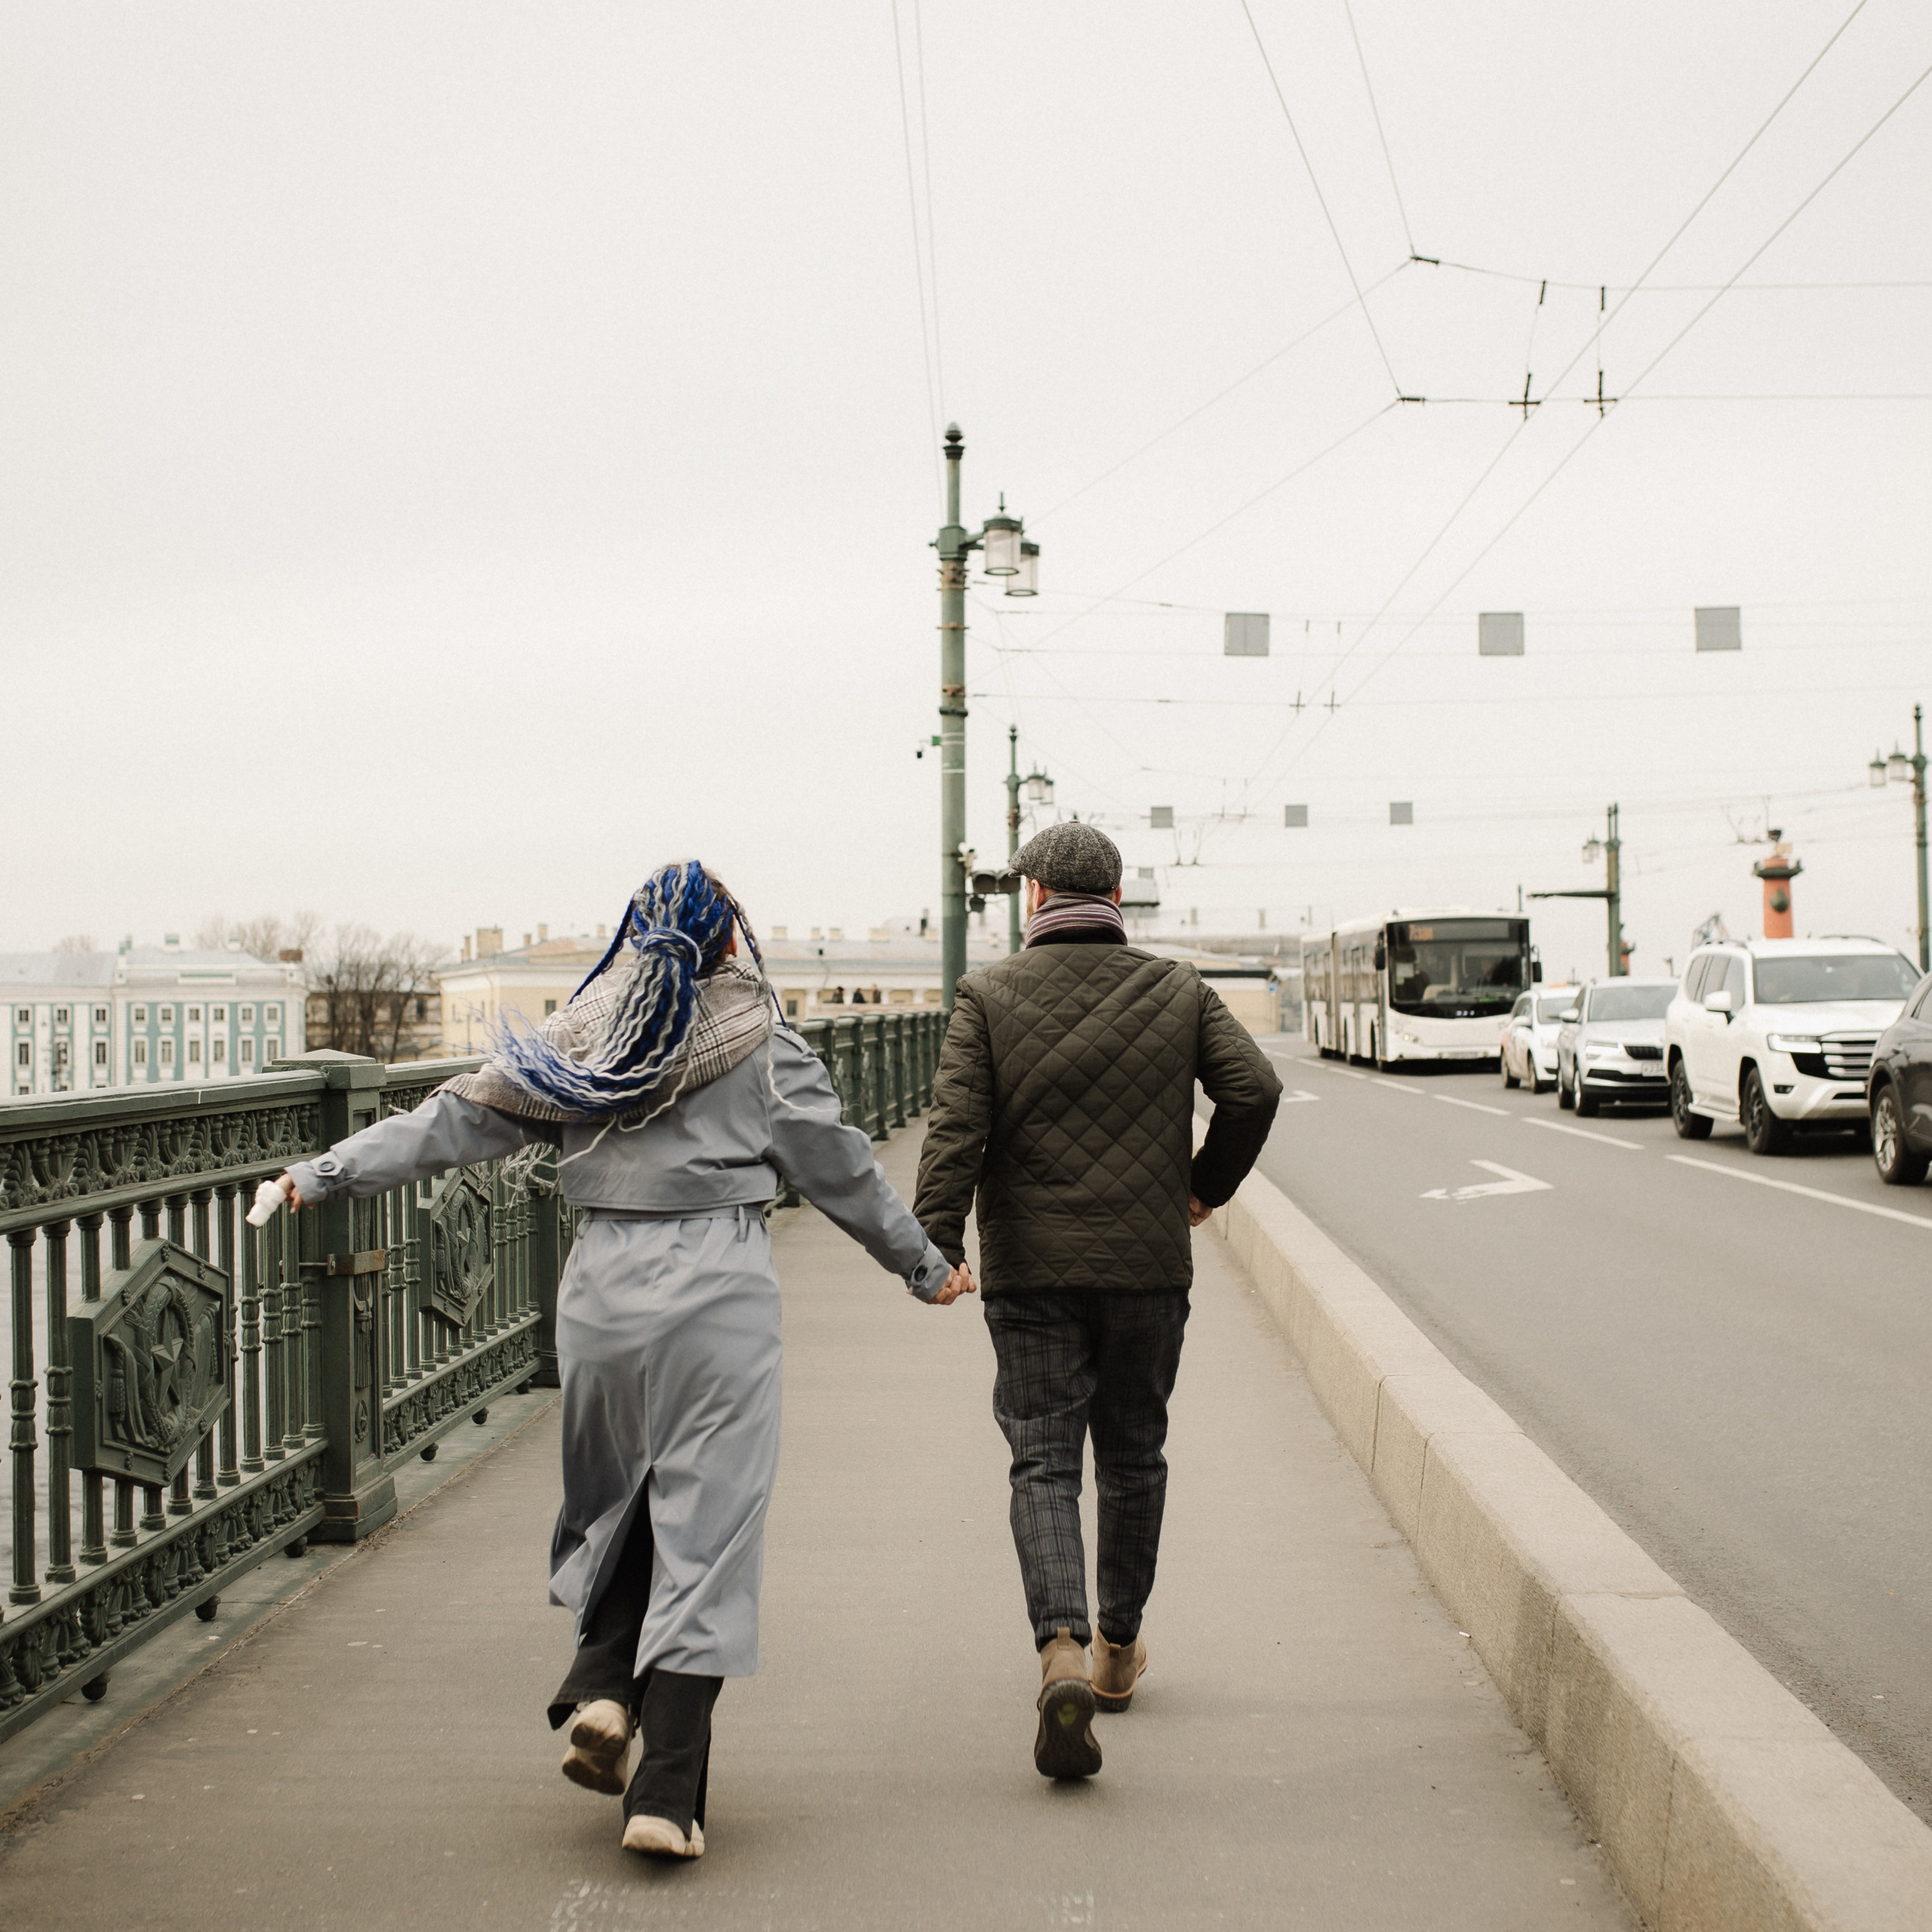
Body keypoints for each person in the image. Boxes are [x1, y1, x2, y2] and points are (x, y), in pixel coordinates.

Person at [272, 861, 970, 1859]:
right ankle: (665, 1798)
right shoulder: (762, 1042)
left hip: (598, 1287)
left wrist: (326, 1171)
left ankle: (603, 1687)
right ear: (730, 941)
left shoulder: (584, 1039)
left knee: (617, 1497)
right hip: (717, 1291)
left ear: (633, 940)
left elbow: (456, 1120)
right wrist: (925, 1267)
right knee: (710, 1527)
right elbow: (844, 1172)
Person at [912, 822, 1281, 1780]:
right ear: (1116, 898)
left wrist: (936, 1245)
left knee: (1043, 1461)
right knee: (1132, 1455)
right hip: (1146, 1268)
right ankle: (1118, 1647)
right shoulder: (1177, 988)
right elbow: (1253, 1089)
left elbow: (954, 1128)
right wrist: (1202, 1185)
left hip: (1031, 1272)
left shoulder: (987, 994)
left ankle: (1061, 1649)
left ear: (1034, 896)